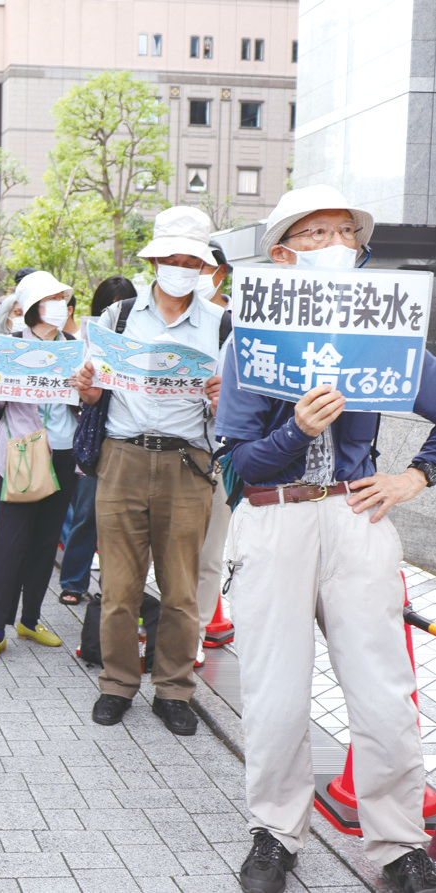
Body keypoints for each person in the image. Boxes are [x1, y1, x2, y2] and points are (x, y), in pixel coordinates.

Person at [217, 185, 436, 893]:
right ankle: (274, 833)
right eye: (316, 233)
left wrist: (414, 476)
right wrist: (297, 429)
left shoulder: (387, 339)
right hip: (272, 516)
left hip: (356, 513)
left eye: (346, 232)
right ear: (282, 254)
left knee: (383, 693)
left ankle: (399, 843)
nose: (336, 244)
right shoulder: (248, 340)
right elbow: (240, 462)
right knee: (274, 691)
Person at [75, 206, 225, 736]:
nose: (180, 268)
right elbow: (92, 391)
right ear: (154, 260)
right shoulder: (117, 318)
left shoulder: (221, 325)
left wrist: (221, 400)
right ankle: (117, 684)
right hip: (122, 458)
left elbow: (234, 411)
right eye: (172, 258)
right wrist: (88, 391)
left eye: (191, 261)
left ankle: (174, 690)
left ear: (204, 267)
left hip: (188, 463)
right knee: (119, 586)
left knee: (181, 589)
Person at [0, 272, 82, 661]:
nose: (61, 306)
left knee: (46, 542)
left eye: (64, 299)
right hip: (22, 452)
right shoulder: (8, 347)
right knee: (11, 543)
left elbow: (90, 403)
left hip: (65, 453)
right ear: (34, 306)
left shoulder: (77, 348)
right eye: (53, 299)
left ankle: (30, 620)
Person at [55, 276, 139, 606]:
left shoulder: (142, 342)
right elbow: (72, 392)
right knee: (87, 513)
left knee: (124, 520)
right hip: (96, 438)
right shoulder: (82, 341)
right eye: (107, 307)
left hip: (132, 439)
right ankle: (73, 581)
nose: (115, 313)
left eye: (122, 306)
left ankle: (113, 586)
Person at [192, 239, 234, 667]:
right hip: (172, 451)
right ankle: (170, 624)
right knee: (168, 551)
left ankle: (196, 631)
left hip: (219, 456)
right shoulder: (163, 320)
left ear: (220, 274)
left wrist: (229, 400)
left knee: (209, 553)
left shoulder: (236, 323)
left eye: (201, 266)